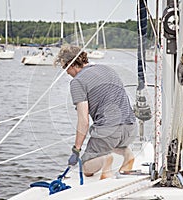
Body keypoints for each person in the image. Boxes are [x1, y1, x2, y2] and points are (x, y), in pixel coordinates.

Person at [56, 45, 137, 180]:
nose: (66, 72)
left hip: (109, 130)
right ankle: (128, 154)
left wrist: (76, 150)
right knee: (112, 143)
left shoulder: (77, 82)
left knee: (86, 167)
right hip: (130, 127)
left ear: (71, 64)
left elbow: (83, 121)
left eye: (65, 68)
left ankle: (105, 159)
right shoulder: (107, 69)